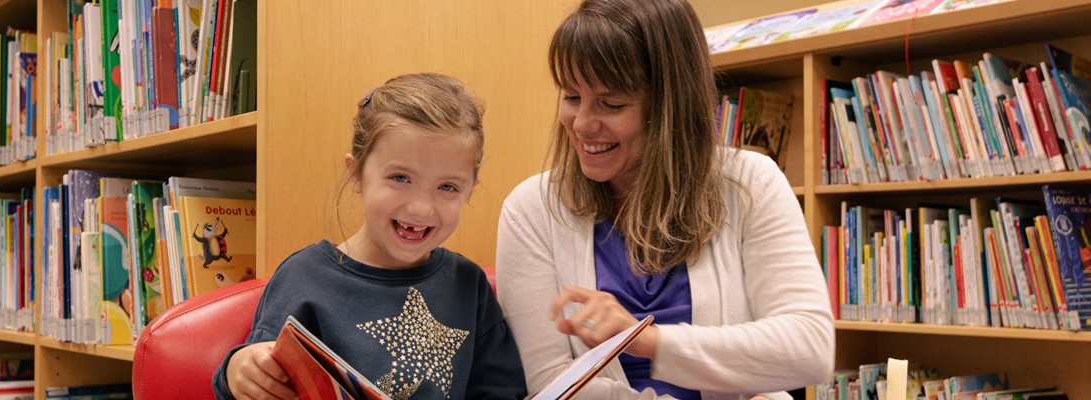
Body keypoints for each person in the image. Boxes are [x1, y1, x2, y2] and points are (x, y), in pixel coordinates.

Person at [495, 0, 835, 399]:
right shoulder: (531, 209)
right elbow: (552, 381)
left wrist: (647, 341)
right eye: (571, 97)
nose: (583, 124)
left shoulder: (751, 184)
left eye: (612, 103)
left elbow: (809, 349)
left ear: (671, 104)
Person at [214, 73, 528, 400]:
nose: (421, 209)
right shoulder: (304, 277)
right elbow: (258, 371)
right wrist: (238, 369)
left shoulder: (468, 284)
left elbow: (501, 391)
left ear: (469, 189)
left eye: (447, 187)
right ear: (357, 174)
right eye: (400, 177)